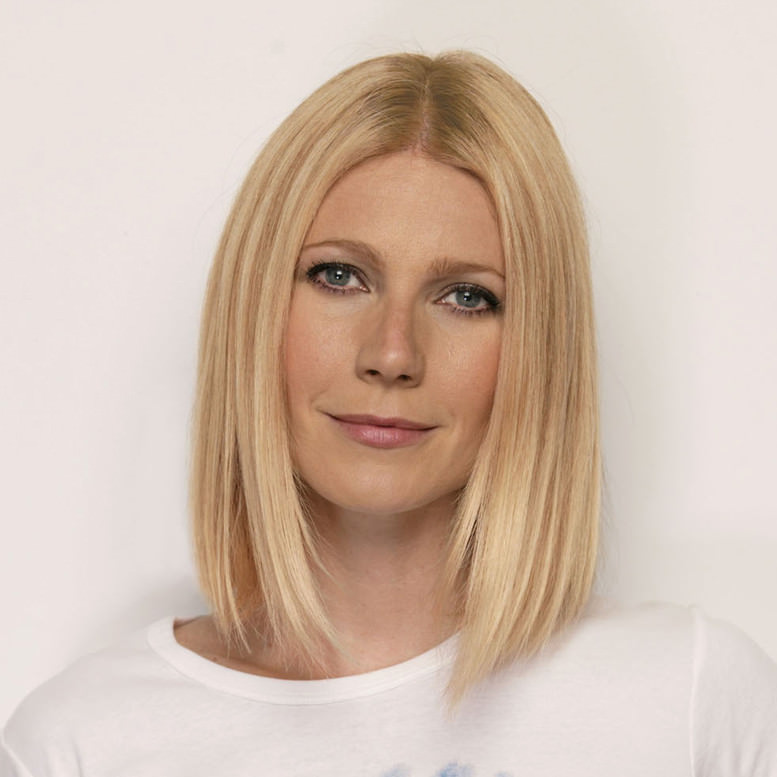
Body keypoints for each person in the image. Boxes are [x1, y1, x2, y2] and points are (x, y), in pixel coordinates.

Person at [2, 51, 775, 777]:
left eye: (467, 296)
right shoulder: (84, 742)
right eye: (339, 276)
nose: (392, 352)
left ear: (539, 350)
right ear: (254, 309)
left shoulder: (689, 700)